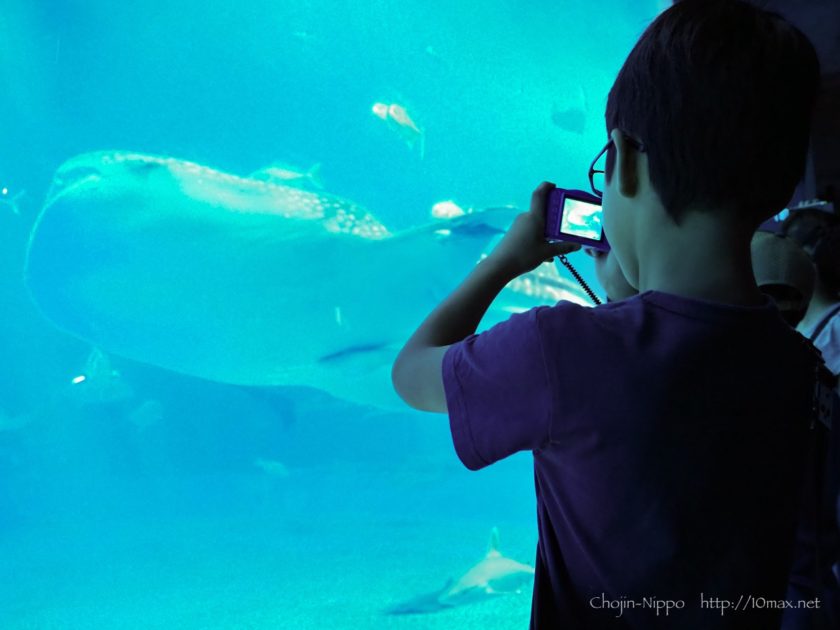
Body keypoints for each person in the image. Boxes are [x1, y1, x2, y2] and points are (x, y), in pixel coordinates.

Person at [391, 1, 823, 627]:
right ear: (783, 185)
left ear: (622, 160)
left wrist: (504, 262)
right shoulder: (799, 365)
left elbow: (411, 375)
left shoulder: (558, 351)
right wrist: (628, 294)